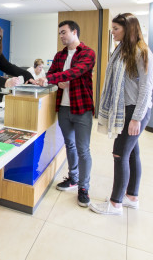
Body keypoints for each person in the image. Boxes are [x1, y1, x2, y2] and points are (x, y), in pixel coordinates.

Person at [90, 13, 153, 215]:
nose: (113, 32)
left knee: (120, 153)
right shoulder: (121, 51)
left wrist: (136, 118)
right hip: (126, 108)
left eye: (116, 28)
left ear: (129, 29)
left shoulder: (141, 52)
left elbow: (146, 88)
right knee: (132, 152)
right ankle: (131, 197)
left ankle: (115, 204)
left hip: (135, 110)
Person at [33, 20, 95, 207]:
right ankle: (73, 178)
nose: (61, 36)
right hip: (64, 107)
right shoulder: (59, 56)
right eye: (59, 33)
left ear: (74, 32)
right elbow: (53, 74)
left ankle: (84, 188)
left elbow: (75, 72)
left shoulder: (87, 53)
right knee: (70, 145)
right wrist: (53, 80)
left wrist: (53, 79)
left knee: (83, 148)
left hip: (82, 107)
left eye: (64, 32)